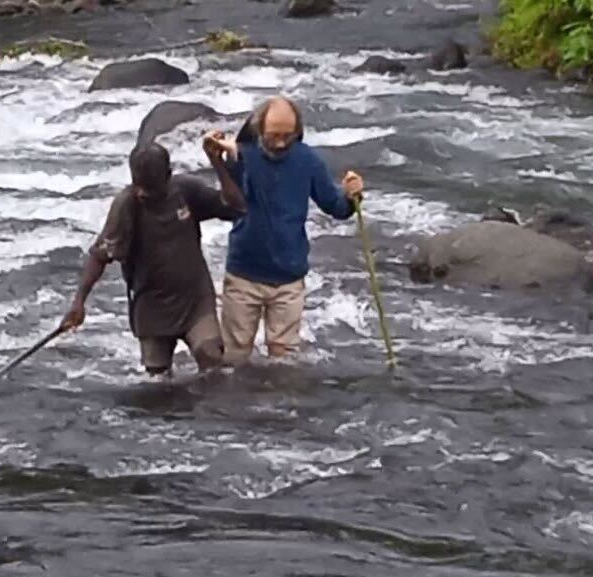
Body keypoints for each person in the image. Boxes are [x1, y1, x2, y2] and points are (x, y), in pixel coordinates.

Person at [58, 134, 245, 376]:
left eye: (151, 189)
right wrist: (79, 302)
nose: (143, 194)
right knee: (157, 381)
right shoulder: (126, 206)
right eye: (138, 186)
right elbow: (99, 256)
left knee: (211, 359)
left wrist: (218, 163)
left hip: (195, 299)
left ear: (169, 175)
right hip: (151, 307)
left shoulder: (186, 191)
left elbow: (236, 207)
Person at [204, 95, 365, 365]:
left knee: (285, 362)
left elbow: (336, 208)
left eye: (287, 135)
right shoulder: (241, 154)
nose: (280, 142)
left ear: (298, 132)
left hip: (288, 279)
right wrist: (218, 160)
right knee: (233, 358)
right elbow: (230, 202)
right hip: (244, 275)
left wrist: (352, 196)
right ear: (259, 130)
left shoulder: (308, 161)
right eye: (273, 135)